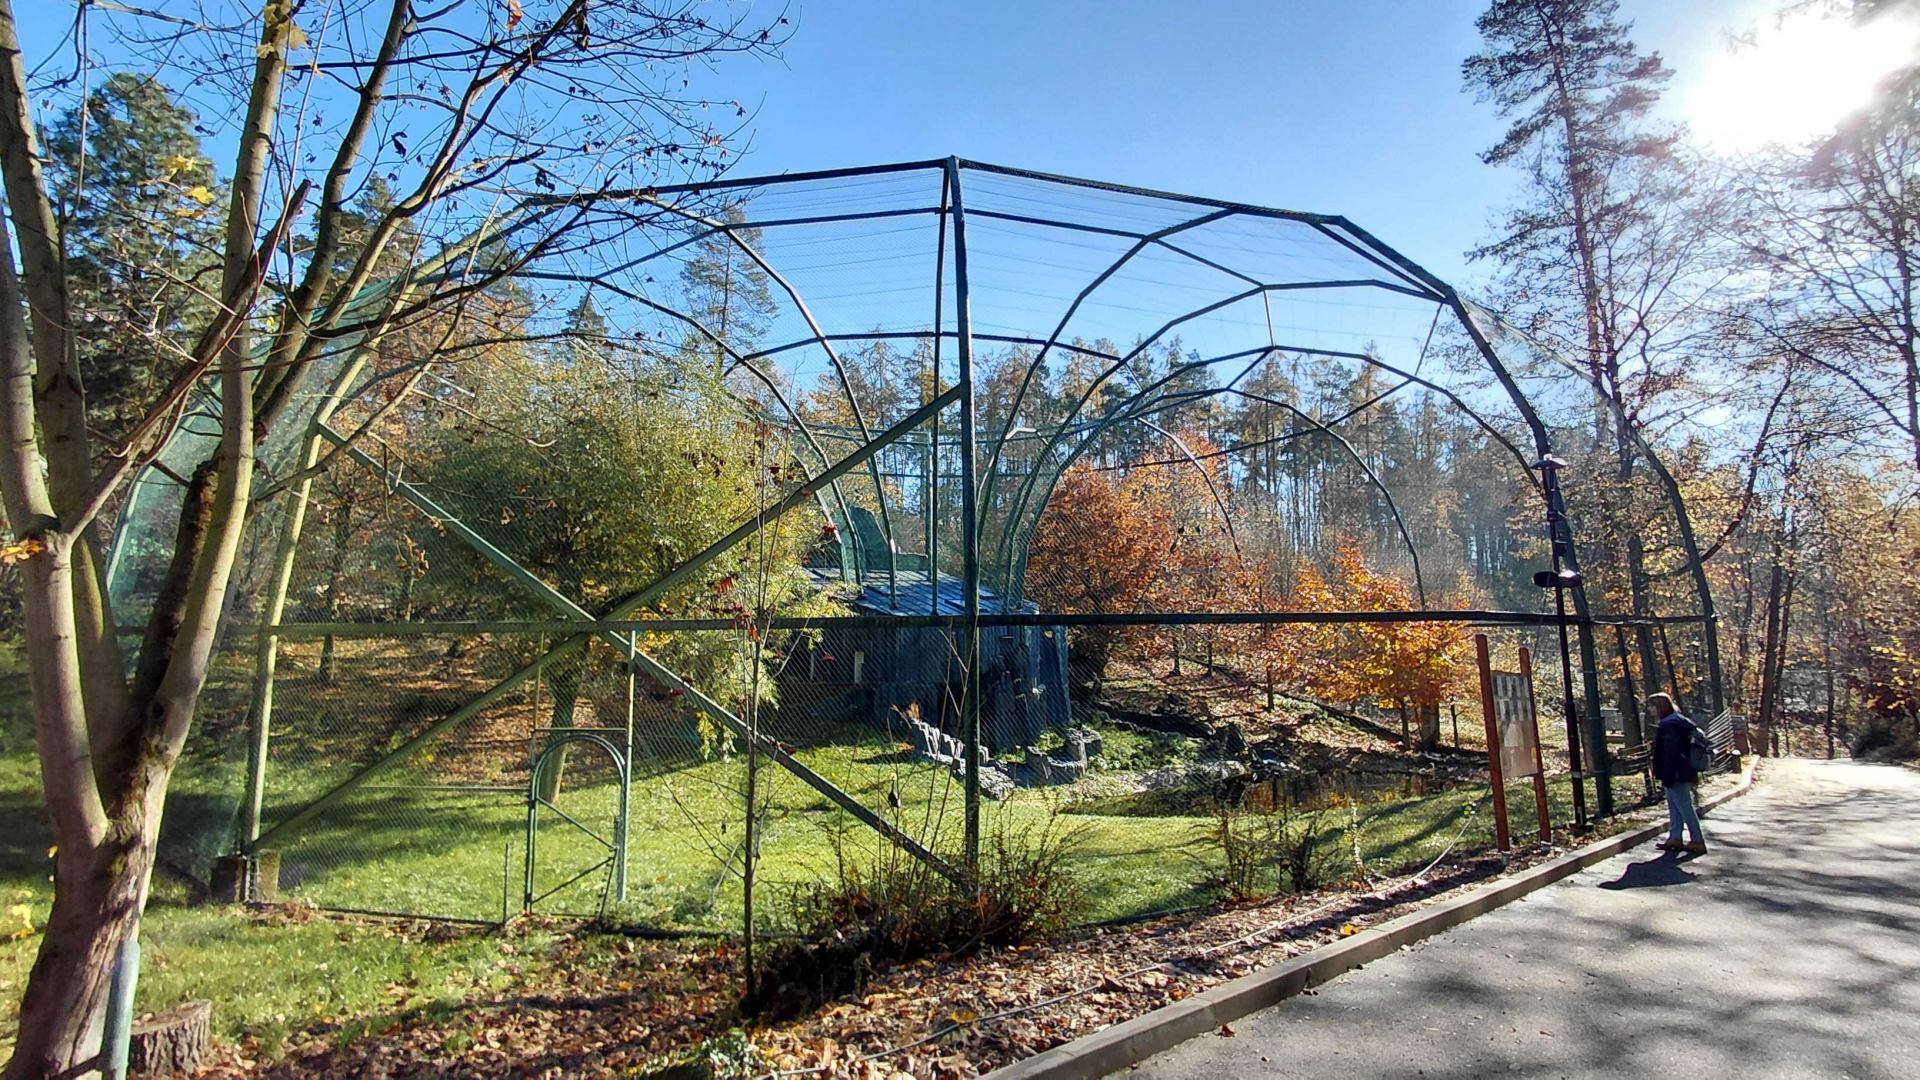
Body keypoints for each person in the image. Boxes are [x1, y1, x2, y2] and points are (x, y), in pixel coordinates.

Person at [1648, 693, 1707, 854]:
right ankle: (1675, 837)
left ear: (1660, 707)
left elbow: (1670, 752)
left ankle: (1697, 840)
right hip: (1683, 770)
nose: (1650, 709)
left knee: (1684, 806)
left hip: (1676, 772)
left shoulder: (1670, 725)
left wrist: (1666, 773)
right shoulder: (1678, 720)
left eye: (1652, 706)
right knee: (1674, 805)